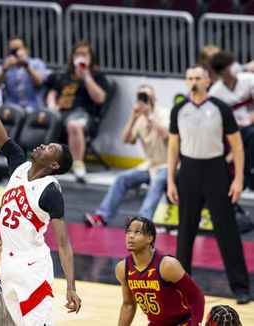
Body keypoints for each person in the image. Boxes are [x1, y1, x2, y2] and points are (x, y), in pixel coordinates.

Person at [0, 61, 81, 326]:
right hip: (8, 265)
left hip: (33, 269)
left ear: (54, 164)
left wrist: (70, 286)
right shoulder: (18, 164)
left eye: (50, 148)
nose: (43, 145)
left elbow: (64, 244)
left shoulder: (50, 192)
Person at [167, 65, 250, 304]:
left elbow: (237, 146)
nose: (193, 81)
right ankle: (182, 288)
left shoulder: (220, 108)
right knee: (186, 233)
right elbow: (173, 147)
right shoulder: (179, 110)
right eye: (189, 77)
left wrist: (238, 179)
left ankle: (241, 287)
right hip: (189, 171)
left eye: (197, 78)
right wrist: (172, 179)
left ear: (207, 81)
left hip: (216, 170)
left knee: (227, 231)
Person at [84, 85, 169, 227]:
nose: (144, 99)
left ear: (154, 98)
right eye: (140, 96)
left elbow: (166, 135)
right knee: (121, 178)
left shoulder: (164, 113)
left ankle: (143, 222)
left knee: (157, 182)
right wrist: (133, 117)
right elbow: (125, 139)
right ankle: (102, 216)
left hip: (169, 165)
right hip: (151, 165)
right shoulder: (139, 119)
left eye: (146, 96)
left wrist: (150, 116)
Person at [116, 217, 205, 326]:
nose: (131, 236)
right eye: (129, 231)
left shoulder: (167, 265)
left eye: (137, 232)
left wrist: (197, 324)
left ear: (149, 238)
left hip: (183, 323)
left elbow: (196, 295)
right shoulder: (122, 268)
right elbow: (128, 304)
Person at [45, 41, 110, 181]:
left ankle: (78, 164)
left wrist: (87, 77)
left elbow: (100, 99)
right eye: (77, 54)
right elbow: (53, 92)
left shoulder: (97, 76)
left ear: (90, 57)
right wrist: (51, 104)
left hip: (82, 114)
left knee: (74, 125)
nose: (80, 56)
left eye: (84, 54)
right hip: (60, 112)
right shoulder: (65, 75)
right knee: (41, 118)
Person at [209, 50, 254, 190]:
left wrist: (249, 120)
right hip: (232, 129)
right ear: (222, 71)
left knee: (251, 134)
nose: (234, 66)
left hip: (251, 124)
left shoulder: (248, 79)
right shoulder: (215, 92)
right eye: (230, 65)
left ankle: (245, 172)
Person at [0, 36, 47, 113]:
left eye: (18, 49)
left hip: (34, 109)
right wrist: (5, 68)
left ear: (26, 49)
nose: (15, 53)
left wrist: (26, 65)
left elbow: (39, 82)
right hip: (11, 110)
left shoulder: (36, 64)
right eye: (12, 50)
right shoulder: (7, 67)